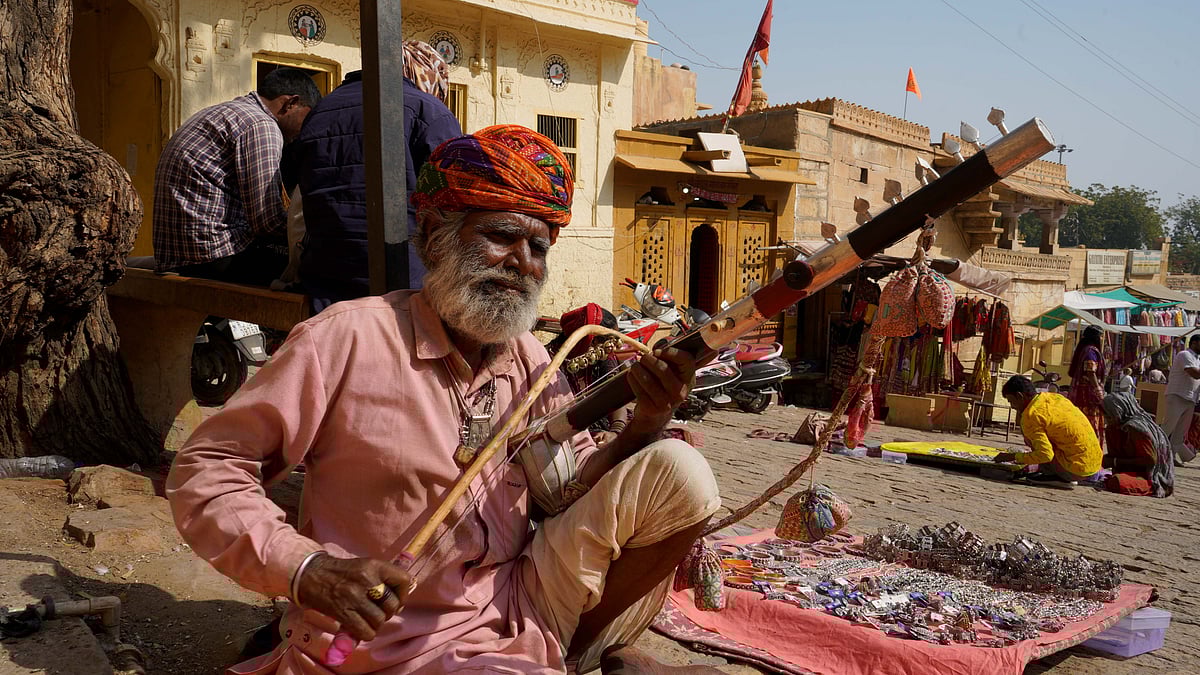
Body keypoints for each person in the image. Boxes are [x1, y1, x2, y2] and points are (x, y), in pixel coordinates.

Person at [166, 125, 723, 675]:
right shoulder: (346, 338)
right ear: (435, 234)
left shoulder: (532, 358)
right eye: (502, 236)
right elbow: (209, 469)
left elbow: (568, 490)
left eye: (538, 247)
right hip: (382, 639)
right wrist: (308, 570)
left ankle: (566, 653)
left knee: (681, 472)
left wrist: (646, 423)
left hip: (516, 603)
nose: (523, 263)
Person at [293, 40, 462, 311]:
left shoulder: (322, 109)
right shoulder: (429, 111)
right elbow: (455, 197)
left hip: (328, 276)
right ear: (422, 72)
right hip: (405, 280)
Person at [152, 67, 321, 285]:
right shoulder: (261, 125)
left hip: (176, 254)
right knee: (319, 268)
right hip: (213, 256)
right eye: (307, 118)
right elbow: (267, 222)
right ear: (291, 103)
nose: (304, 130)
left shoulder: (223, 112)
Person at [994, 375, 1103, 488]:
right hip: (1094, 464)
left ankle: (1056, 476)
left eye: (1011, 401)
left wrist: (1013, 457)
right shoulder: (1055, 397)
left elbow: (1045, 455)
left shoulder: (1031, 415)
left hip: (1076, 469)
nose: (1012, 406)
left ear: (1019, 396)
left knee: (1033, 441)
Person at [1101, 393, 1175, 497]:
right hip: (1127, 471)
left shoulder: (1136, 428)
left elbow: (1150, 461)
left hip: (1148, 476)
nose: (1107, 420)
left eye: (1109, 416)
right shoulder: (1113, 429)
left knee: (1116, 482)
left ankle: (1148, 487)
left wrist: (1115, 461)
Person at [1161, 334, 1200, 466]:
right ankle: (1157, 454)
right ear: (1195, 343)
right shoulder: (1184, 354)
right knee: (1168, 427)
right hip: (1177, 395)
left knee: (1180, 432)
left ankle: (1170, 457)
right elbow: (1195, 374)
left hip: (1190, 398)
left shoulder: (1198, 359)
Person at [1067, 325, 1107, 448]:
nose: (1102, 339)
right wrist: (1097, 389)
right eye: (1101, 336)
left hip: (1084, 394)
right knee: (1089, 422)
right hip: (1088, 396)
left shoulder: (1085, 349)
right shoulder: (1091, 351)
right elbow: (1090, 371)